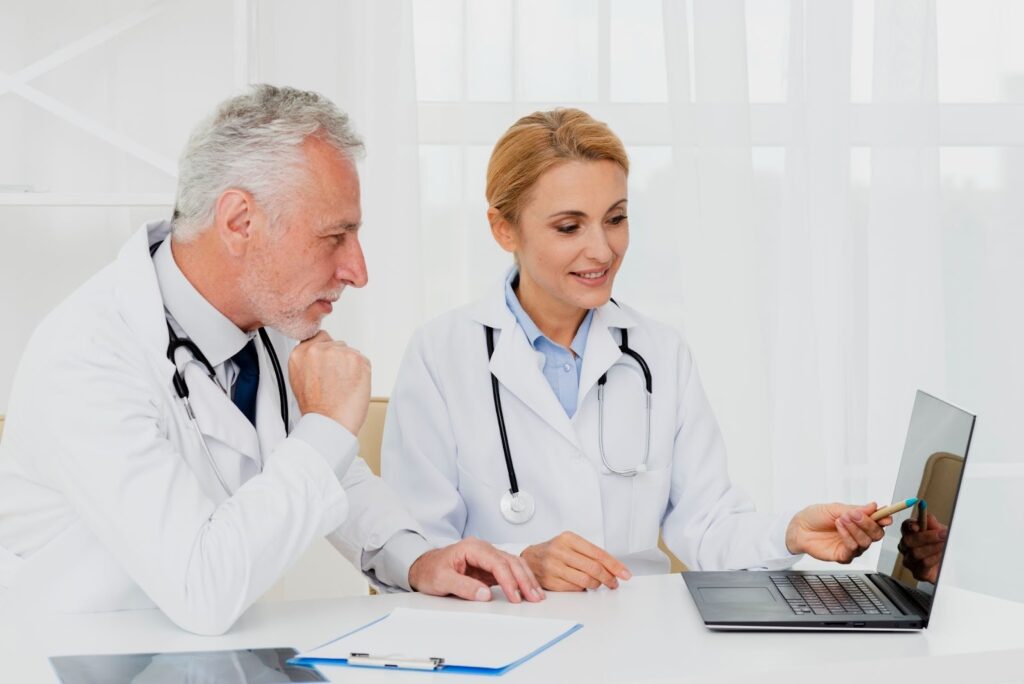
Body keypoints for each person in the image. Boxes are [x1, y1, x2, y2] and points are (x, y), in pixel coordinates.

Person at [0, 85, 542, 634]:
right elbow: (201, 589)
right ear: (240, 222)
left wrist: (417, 559)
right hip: (76, 656)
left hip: (204, 663)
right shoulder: (87, 359)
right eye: (335, 236)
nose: (358, 270)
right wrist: (328, 424)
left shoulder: (265, 320)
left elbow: (332, 472)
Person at [381, 108, 893, 592]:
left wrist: (790, 532)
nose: (602, 250)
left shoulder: (659, 354)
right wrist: (519, 563)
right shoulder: (439, 355)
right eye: (569, 226)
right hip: (501, 637)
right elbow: (420, 551)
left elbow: (707, 523)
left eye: (616, 218)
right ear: (502, 228)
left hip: (638, 634)